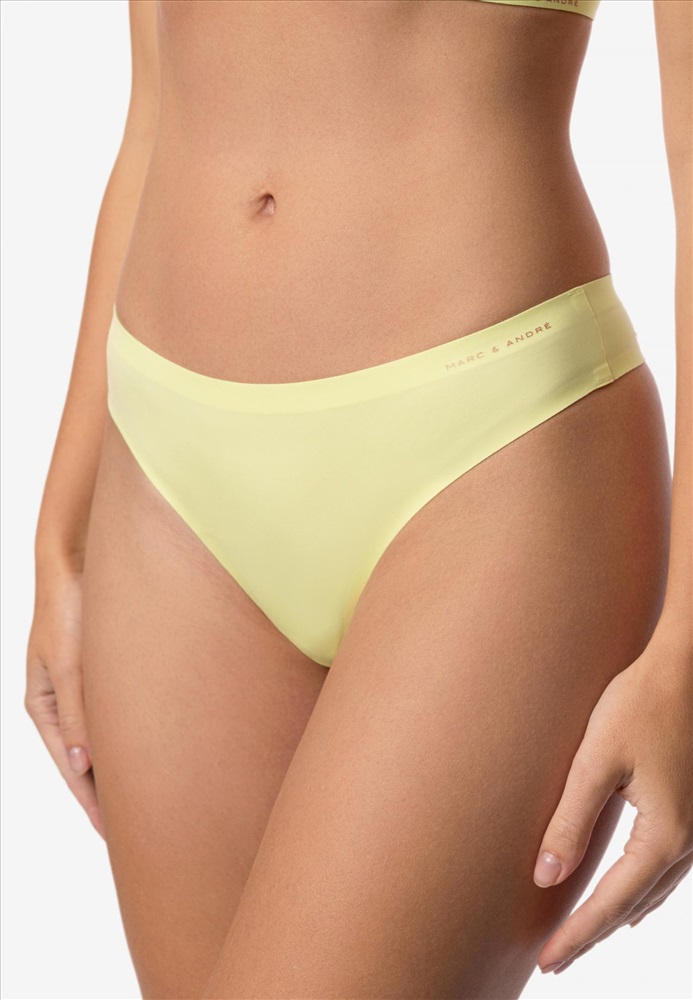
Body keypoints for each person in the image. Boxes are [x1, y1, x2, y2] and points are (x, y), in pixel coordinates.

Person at [26, 1, 691, 997]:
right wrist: (61, 529)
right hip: (164, 473)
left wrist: (689, 646)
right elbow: (158, 93)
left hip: (489, 453)